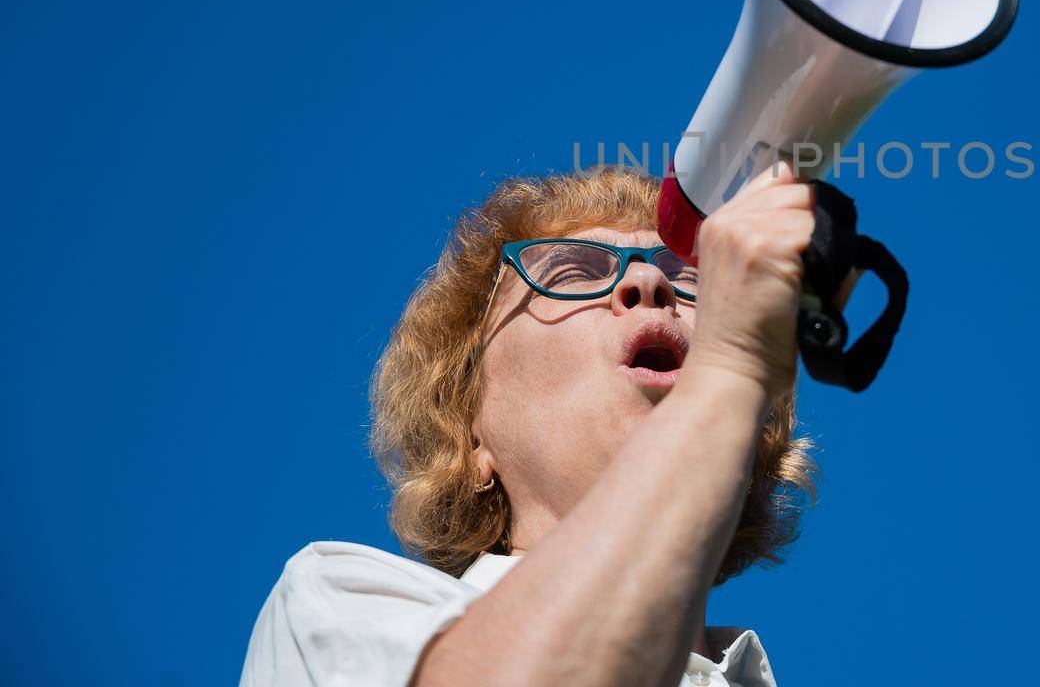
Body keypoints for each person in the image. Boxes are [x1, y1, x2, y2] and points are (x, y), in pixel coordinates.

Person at [240, 162, 833, 686]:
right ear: (470, 435)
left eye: (689, 277)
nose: (650, 284)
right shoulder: (340, 611)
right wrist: (726, 373)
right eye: (573, 273)